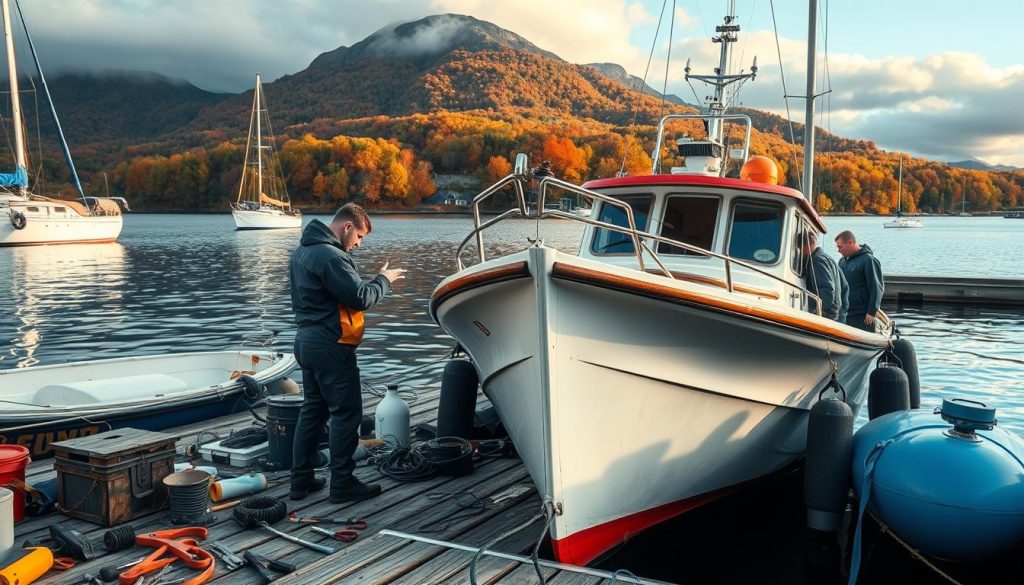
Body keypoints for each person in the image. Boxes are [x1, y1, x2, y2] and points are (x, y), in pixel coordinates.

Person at [288, 203, 406, 502]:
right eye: (360, 237)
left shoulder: (303, 252)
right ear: (347, 227)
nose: (358, 244)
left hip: (305, 340)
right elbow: (361, 298)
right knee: (346, 412)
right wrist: (384, 279)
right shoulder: (330, 256)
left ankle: (300, 481)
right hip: (331, 344)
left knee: (313, 410)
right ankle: (342, 482)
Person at [834, 230, 883, 332]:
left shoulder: (868, 260)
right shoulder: (842, 262)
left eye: (840, 247)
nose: (838, 251)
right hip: (845, 313)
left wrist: (871, 312)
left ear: (850, 242)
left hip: (863, 316)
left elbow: (876, 287)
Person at [797, 231, 848, 321]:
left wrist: (819, 311)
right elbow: (845, 286)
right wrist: (842, 311)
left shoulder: (816, 261)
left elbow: (828, 288)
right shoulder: (830, 259)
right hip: (836, 315)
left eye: (799, 248)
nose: (799, 252)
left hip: (826, 316)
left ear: (805, 246)